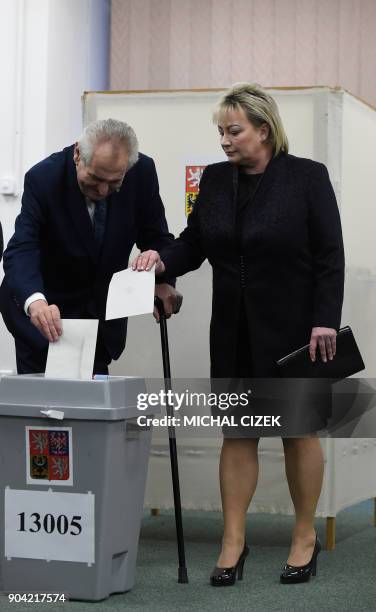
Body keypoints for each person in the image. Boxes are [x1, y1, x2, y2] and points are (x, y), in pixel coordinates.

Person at [132, 83, 345, 585]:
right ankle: (233, 542)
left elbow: (330, 256)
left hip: (297, 329)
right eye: (220, 132)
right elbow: (194, 244)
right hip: (233, 329)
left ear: (264, 130)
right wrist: (162, 260)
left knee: (298, 432)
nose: (225, 141)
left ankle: (303, 537)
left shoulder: (307, 178)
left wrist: (325, 319)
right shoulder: (213, 180)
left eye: (234, 131)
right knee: (238, 433)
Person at [0, 118, 182, 375]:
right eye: (95, 179)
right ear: (77, 155)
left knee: (93, 409)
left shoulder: (141, 172)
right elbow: (22, 249)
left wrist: (161, 279)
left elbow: (157, 238)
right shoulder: (44, 178)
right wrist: (36, 303)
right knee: (45, 409)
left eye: (114, 182)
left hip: (100, 319)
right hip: (46, 318)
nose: (104, 189)